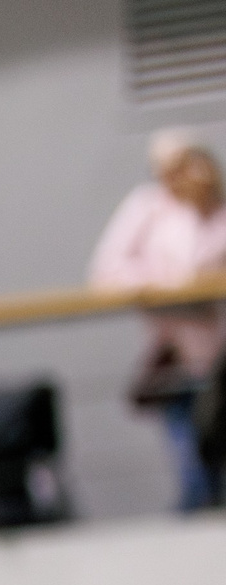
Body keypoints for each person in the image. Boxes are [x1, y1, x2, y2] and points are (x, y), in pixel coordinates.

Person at [90, 131, 226, 511]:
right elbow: (107, 271)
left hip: (219, 355)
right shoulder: (148, 208)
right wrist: (166, 286)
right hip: (176, 354)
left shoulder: (218, 212)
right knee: (195, 471)